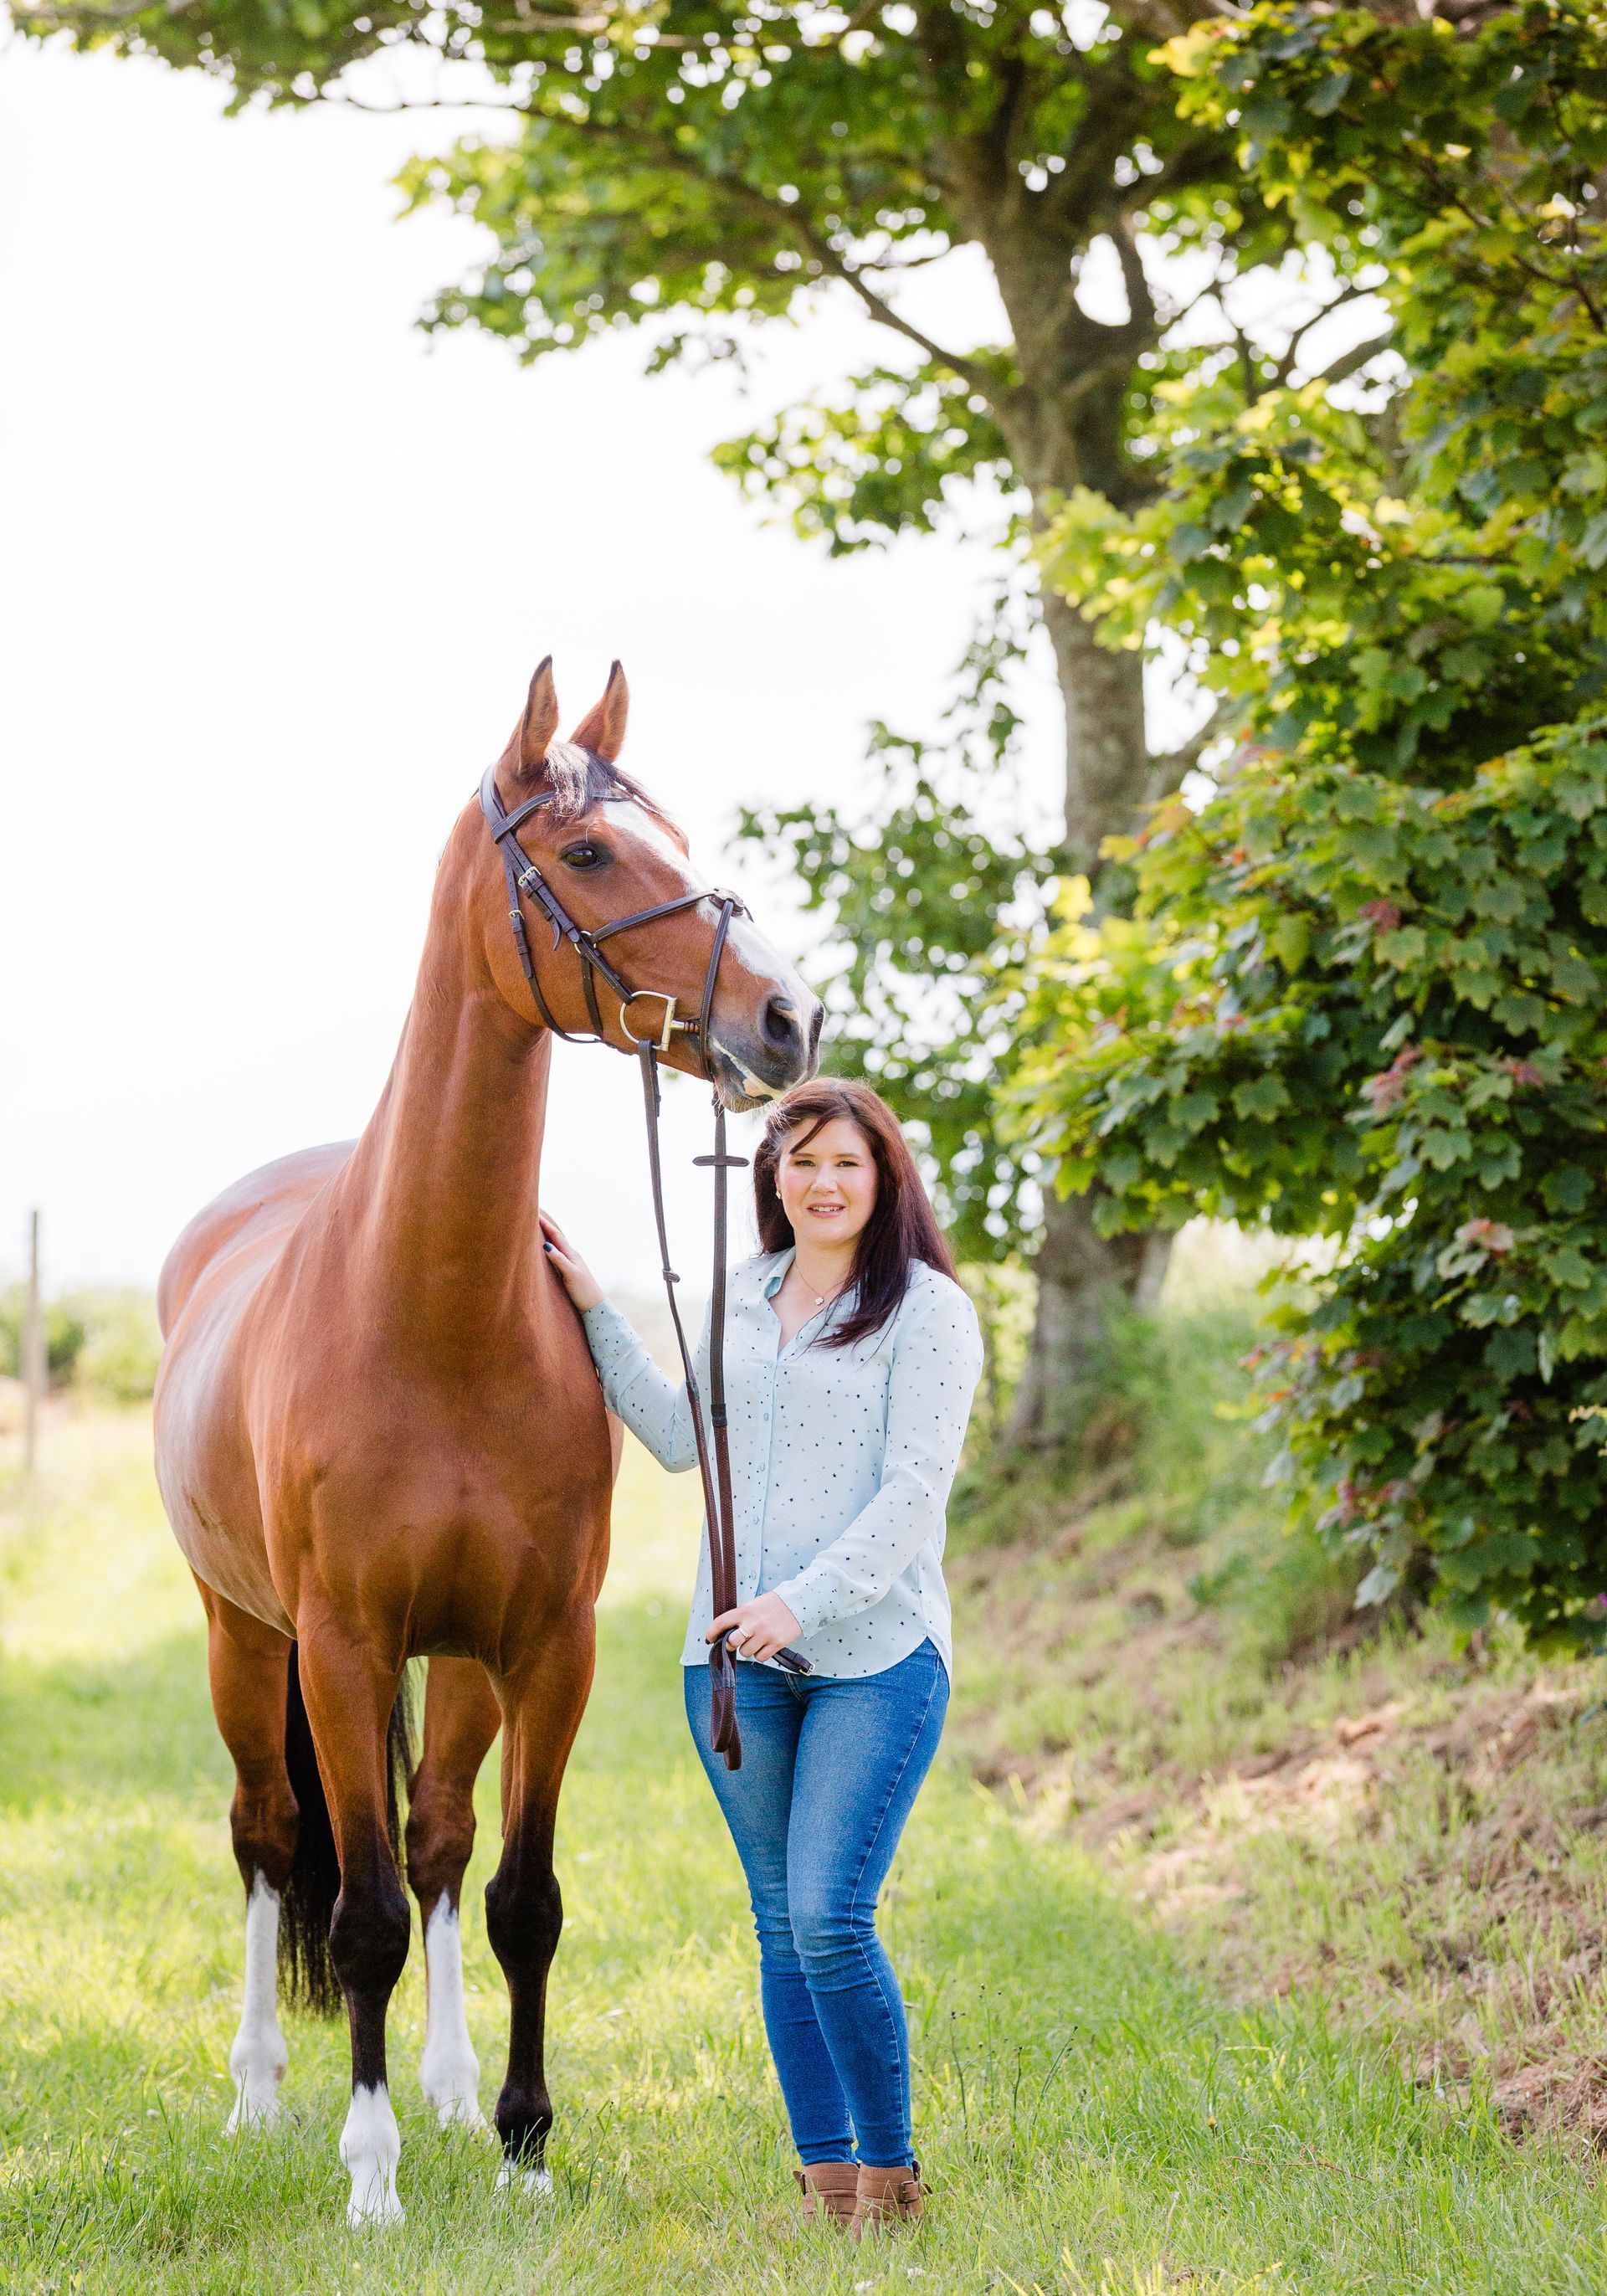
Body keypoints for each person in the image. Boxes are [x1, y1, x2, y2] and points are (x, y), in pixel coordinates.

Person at [541, 1077, 983, 2237]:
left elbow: (912, 1495)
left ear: (882, 1176)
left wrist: (799, 1599)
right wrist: (594, 1308)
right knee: (780, 1921)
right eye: (800, 1164)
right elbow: (683, 1437)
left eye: (845, 1162)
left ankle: (891, 2183)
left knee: (832, 1913)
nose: (822, 1183)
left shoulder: (928, 1311)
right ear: (771, 1181)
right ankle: (826, 2180)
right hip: (732, 1665)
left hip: (875, 1656)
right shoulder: (740, 1298)